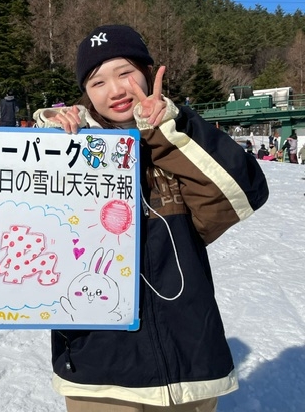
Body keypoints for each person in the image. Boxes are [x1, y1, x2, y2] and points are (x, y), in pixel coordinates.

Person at [33, 24, 268, 412]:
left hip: (188, 362)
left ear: (146, 71)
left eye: (125, 72)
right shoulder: (67, 150)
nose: (115, 90)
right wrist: (50, 144)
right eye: (97, 82)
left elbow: (242, 193)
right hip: (99, 370)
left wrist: (168, 131)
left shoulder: (176, 140)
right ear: (85, 94)